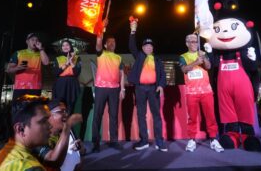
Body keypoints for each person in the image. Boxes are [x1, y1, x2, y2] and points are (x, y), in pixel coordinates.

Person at [128, 18, 168, 152]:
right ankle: (144, 140)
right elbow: (132, 46)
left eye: (150, 46)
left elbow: (163, 75)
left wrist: (161, 86)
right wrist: (133, 31)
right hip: (140, 89)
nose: (148, 47)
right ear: (143, 48)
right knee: (141, 114)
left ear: (153, 48)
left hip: (153, 89)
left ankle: (159, 141)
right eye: (146, 46)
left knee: (157, 115)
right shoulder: (139, 56)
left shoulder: (157, 60)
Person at [179, 34, 224, 152]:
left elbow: (208, 66)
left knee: (210, 116)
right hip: (191, 92)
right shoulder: (183, 56)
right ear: (187, 43)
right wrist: (195, 62)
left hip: (206, 91)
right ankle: (192, 140)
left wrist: (203, 58)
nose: (194, 43)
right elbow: (184, 69)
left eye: (195, 41)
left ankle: (213, 139)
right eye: (192, 41)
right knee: (192, 117)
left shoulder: (203, 53)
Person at [0, 95, 51, 171]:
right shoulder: (29, 166)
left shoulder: (4, 154)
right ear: (21, 129)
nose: (50, 125)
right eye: (43, 121)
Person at [92, 18, 125, 153]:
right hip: (100, 88)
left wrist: (122, 89)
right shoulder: (101, 53)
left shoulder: (118, 58)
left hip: (114, 89)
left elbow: (122, 74)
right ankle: (95, 142)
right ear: (105, 45)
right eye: (109, 42)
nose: (112, 44)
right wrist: (101, 28)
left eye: (114, 42)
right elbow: (98, 43)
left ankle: (114, 141)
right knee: (97, 115)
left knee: (113, 116)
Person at [34, 99, 84, 171]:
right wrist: (68, 125)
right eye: (61, 111)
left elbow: (77, 165)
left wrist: (80, 152)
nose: (66, 114)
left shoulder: (66, 133)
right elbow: (53, 160)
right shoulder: (38, 138)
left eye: (66, 111)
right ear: (48, 116)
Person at [7, 33, 50, 101]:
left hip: (35, 87)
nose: (35, 42)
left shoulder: (41, 53)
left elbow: (46, 62)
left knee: (34, 110)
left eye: (36, 40)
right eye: (32, 40)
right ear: (27, 42)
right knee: (19, 110)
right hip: (20, 87)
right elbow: (8, 69)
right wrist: (18, 68)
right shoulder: (18, 53)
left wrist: (41, 49)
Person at [52, 40, 81, 115]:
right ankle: (60, 125)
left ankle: (69, 125)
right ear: (61, 48)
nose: (65, 47)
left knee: (70, 106)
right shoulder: (58, 58)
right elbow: (55, 73)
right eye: (63, 45)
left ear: (70, 46)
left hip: (72, 84)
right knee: (60, 105)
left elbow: (77, 72)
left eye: (67, 45)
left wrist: (71, 61)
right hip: (60, 84)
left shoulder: (77, 58)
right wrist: (66, 63)